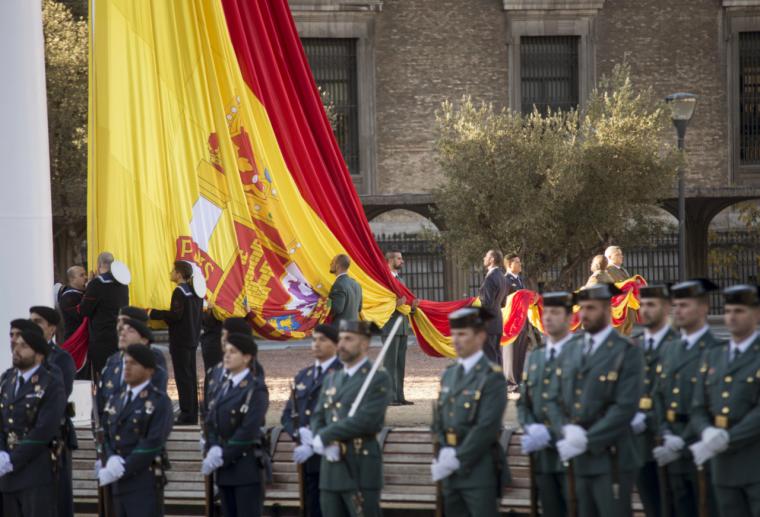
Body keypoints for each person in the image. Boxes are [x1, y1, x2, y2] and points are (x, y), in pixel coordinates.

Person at [550, 282, 644, 517]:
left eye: (591, 308)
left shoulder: (626, 350)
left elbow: (625, 407)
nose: (584, 314)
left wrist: (587, 439)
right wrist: (566, 430)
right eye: (582, 308)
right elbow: (553, 398)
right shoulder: (571, 349)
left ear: (606, 310)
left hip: (612, 456)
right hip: (577, 456)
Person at [652, 279, 720, 517]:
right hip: (670, 444)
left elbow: (713, 404)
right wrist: (665, 432)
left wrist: (683, 442)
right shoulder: (670, 349)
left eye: (685, 305)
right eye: (676, 305)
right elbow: (658, 395)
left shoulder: (716, 349)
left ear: (704, 308)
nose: (677, 310)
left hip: (701, 446)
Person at [690, 284, 760, 517]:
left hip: (754, 461)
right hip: (722, 465)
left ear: (756, 314)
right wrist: (707, 432)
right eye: (728, 311)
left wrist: (727, 438)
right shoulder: (714, 355)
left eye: (739, 311)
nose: (731, 316)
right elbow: (698, 405)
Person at [309, 320, 391, 517]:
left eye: (348, 339)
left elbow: (367, 420)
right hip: (330, 470)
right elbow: (318, 416)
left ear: (364, 343)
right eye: (340, 339)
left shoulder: (377, 377)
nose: (342, 344)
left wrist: (325, 436)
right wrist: (320, 438)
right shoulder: (332, 378)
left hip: (359, 467)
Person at [431, 307, 507, 517]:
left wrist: (457, 458)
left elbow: (487, 426)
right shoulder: (449, 374)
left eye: (462, 334)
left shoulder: (492, 376)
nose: (456, 340)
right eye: (454, 334)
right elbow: (439, 419)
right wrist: (443, 451)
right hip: (449, 470)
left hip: (479, 471)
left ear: (480, 336)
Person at [518, 292, 579, 517]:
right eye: (546, 312)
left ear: (570, 318)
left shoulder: (582, 352)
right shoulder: (536, 356)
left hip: (571, 452)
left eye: (556, 312)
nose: (548, 317)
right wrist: (530, 426)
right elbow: (524, 402)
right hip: (543, 454)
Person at [97, 345, 173, 517]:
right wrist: (110, 458)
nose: (127, 367)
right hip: (117, 482)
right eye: (126, 363)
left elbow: (153, 441)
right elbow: (107, 433)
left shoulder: (158, 401)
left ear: (149, 370)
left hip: (143, 482)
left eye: (134, 363)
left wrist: (124, 467)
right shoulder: (117, 398)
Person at [201, 333, 269, 517]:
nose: (227, 355)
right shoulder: (223, 387)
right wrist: (212, 446)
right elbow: (211, 421)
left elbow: (248, 429)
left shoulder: (255, 388)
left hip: (245, 470)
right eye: (226, 351)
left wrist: (223, 454)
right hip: (225, 472)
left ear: (247, 357)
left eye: (233, 352)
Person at [0, 329, 66, 517]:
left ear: (38, 355)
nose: (16, 350)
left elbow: (44, 429)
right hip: (8, 477)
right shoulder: (8, 380)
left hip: (35, 475)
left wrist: (12, 460)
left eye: (24, 346)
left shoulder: (51, 383)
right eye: (16, 345)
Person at [283, 324, 343, 517]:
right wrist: (298, 433)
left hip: (331, 456)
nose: (316, 344)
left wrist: (316, 439)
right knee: (310, 509)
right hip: (306, 458)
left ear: (336, 345)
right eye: (314, 339)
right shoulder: (304, 375)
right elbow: (287, 414)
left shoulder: (343, 374)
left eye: (322, 340)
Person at [631, 285, 680, 517]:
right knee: (651, 507)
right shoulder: (633, 347)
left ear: (667, 307)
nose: (645, 310)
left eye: (652, 305)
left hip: (672, 441)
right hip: (640, 445)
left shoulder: (680, 345)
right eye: (642, 304)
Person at [27, 307, 79, 517]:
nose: (33, 327)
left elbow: (58, 398)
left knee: (57, 499)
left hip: (53, 437)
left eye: (38, 322)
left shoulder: (61, 359)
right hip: (27, 438)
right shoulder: (24, 358)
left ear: (52, 329)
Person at [149, 261, 203, 425]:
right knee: (190, 376)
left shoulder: (179, 292)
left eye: (173, 270)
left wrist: (154, 313)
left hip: (180, 339)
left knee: (183, 377)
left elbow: (175, 315)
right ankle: (192, 413)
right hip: (192, 338)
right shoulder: (195, 291)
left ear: (179, 274)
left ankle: (186, 414)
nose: (171, 273)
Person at [96, 317, 169, 419]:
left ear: (144, 340)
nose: (123, 334)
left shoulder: (154, 364)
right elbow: (101, 404)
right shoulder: (112, 363)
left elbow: (157, 407)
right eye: (122, 330)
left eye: (130, 331)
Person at [78, 251, 130, 377]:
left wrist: (89, 285)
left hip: (101, 337)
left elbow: (84, 310)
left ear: (99, 265)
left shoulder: (97, 284)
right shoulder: (123, 284)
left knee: (103, 375)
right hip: (119, 334)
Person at [382, 250, 418, 406]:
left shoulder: (401, 280)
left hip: (402, 327)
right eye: (399, 258)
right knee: (390, 364)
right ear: (390, 260)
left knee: (400, 364)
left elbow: (406, 303)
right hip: (390, 326)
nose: (402, 261)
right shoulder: (384, 280)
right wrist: (396, 304)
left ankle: (399, 395)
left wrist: (413, 307)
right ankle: (389, 397)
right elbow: (380, 303)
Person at [502, 253, 534, 391]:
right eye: (517, 262)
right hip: (511, 322)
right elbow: (503, 301)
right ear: (509, 264)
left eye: (520, 262)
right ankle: (510, 382)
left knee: (521, 351)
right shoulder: (505, 280)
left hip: (522, 321)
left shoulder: (520, 280)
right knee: (511, 352)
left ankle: (518, 380)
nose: (520, 264)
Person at [478, 249, 509, 366]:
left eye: (486, 256)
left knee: (489, 357)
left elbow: (487, 303)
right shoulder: (502, 276)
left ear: (492, 259)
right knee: (497, 355)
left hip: (488, 324)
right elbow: (503, 303)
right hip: (497, 321)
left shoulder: (490, 278)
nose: (484, 258)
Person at [327, 254, 363, 329]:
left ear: (337, 266)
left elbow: (337, 308)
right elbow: (359, 308)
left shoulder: (339, 284)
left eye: (332, 262)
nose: (330, 264)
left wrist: (326, 301)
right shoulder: (357, 284)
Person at [58, 265, 87, 340]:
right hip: (74, 339)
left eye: (85, 274)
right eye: (81, 275)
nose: (86, 277)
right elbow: (82, 315)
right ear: (72, 279)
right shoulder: (68, 296)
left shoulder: (82, 292)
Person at [200, 302, 224, 372]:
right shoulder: (206, 301)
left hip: (223, 343)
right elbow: (207, 322)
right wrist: (209, 310)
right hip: (212, 344)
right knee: (212, 374)